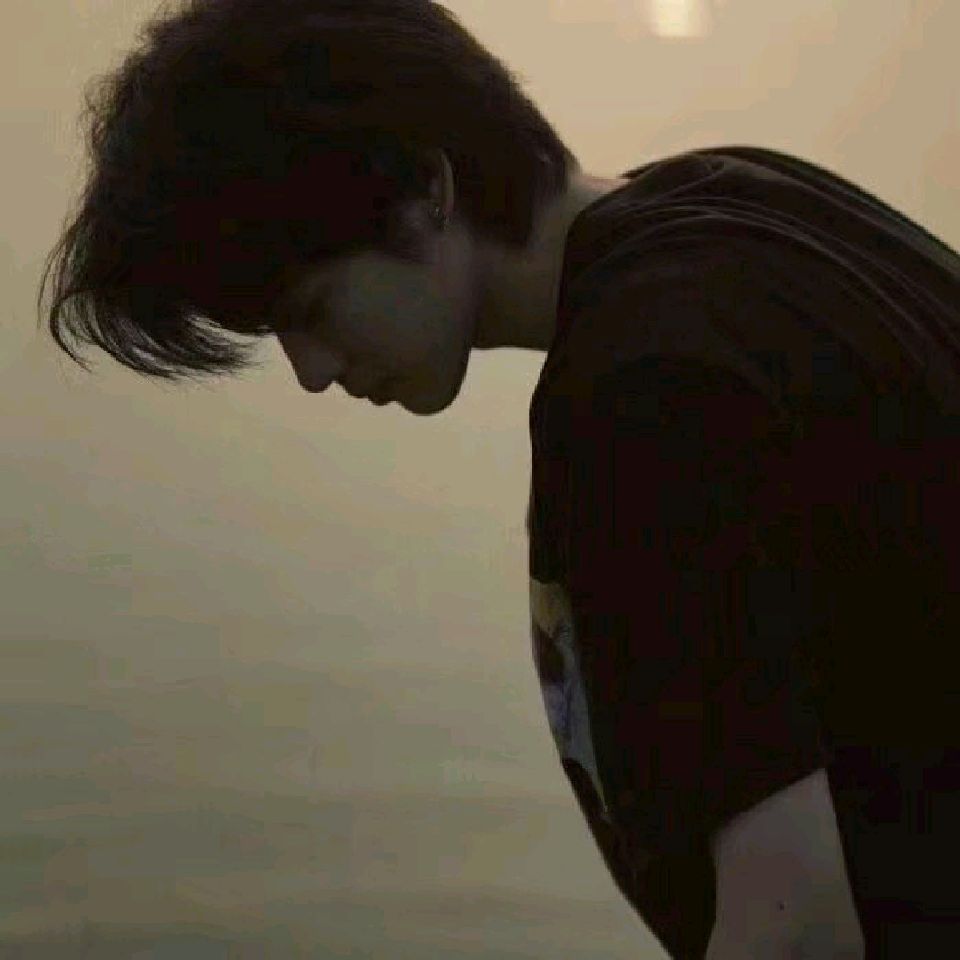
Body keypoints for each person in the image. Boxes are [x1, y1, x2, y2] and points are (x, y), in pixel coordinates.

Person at [38, 1, 960, 957]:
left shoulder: (647, 396)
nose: (310, 371)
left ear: (423, 189)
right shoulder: (757, 208)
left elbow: (797, 933)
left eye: (311, 308)